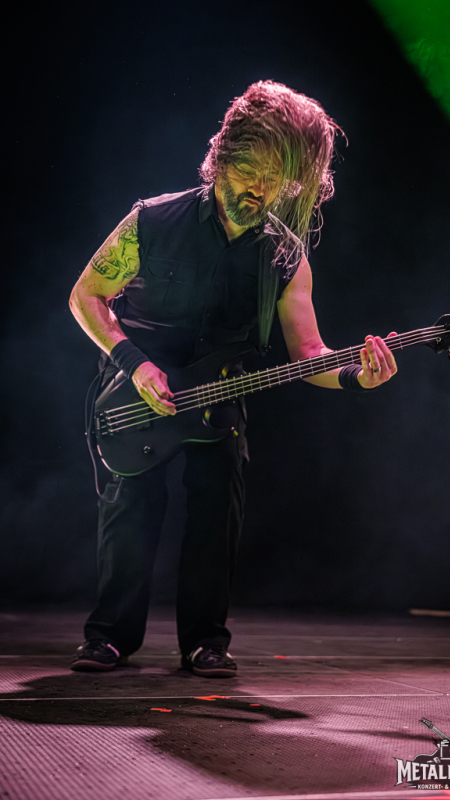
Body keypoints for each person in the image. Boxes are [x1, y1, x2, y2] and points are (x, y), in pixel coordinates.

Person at [69, 80, 398, 678]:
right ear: (221, 157)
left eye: (276, 180)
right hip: (136, 394)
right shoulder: (153, 220)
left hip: (220, 399)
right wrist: (134, 363)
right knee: (130, 512)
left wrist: (356, 378)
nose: (259, 190)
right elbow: (86, 296)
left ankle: (205, 642)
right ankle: (109, 636)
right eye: (250, 172)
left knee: (216, 517)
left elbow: (310, 353)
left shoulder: (285, 256)